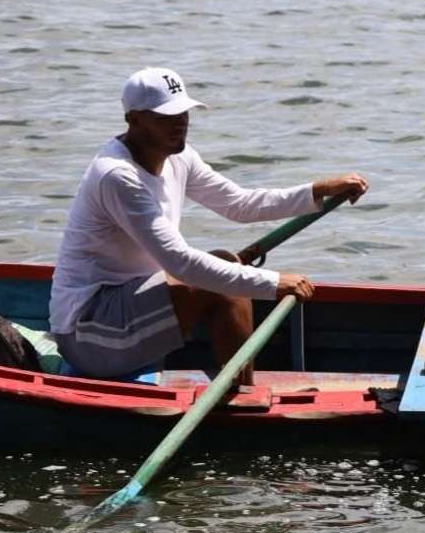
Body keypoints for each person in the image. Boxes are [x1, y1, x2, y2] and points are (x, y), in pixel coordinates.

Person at [50, 67, 369, 383]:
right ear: (133, 120)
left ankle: (238, 390)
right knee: (222, 282)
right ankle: (243, 400)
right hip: (87, 333)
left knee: (225, 265)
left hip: (128, 309)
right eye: (165, 117)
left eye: (184, 114)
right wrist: (273, 283)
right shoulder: (117, 175)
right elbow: (179, 261)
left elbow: (239, 204)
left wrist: (319, 190)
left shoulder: (179, 156)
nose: (179, 125)